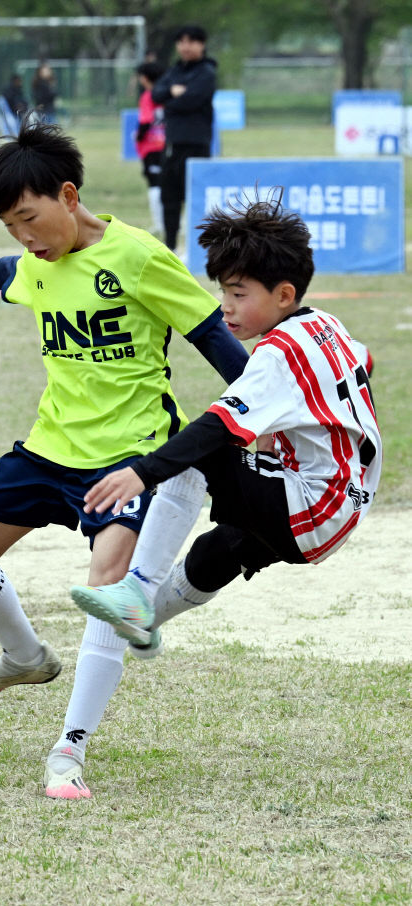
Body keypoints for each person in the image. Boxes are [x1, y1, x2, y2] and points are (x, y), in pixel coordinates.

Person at [0, 122, 248, 799]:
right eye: (10, 226)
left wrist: (263, 404)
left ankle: (70, 749)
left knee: (106, 590)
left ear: (68, 195)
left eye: (29, 219)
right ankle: (25, 658)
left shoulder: (141, 258)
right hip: (47, 448)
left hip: (127, 455)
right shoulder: (37, 259)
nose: (24, 238)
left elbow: (211, 334)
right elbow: (12, 273)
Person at [71, 195, 381, 662]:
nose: (226, 308)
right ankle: (146, 620)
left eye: (239, 295)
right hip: (347, 504)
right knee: (218, 551)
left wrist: (143, 473)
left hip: (311, 508)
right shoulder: (326, 325)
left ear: (283, 295)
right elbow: (364, 360)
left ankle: (137, 589)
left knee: (199, 451)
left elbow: (216, 428)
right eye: (223, 293)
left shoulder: (278, 352)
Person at [152, 25, 216, 252]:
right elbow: (155, 93)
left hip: (196, 143)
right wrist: (172, 93)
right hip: (172, 144)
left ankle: (198, 249)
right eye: (181, 41)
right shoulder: (175, 70)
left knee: (195, 198)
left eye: (191, 41)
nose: (185, 46)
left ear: (202, 44)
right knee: (169, 196)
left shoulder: (206, 72)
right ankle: (170, 247)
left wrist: (171, 100)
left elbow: (192, 100)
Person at [135, 62, 166, 237]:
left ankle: (159, 223)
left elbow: (146, 121)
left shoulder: (148, 96)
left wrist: (139, 137)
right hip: (168, 146)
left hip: (152, 147)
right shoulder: (168, 94)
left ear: (145, 78)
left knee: (155, 185)